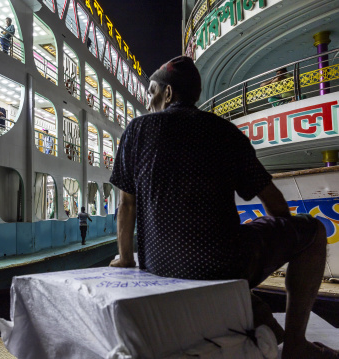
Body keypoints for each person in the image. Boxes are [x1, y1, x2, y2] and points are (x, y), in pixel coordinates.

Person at [109, 56, 334, 359]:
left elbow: (127, 202)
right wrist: (287, 236)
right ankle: (295, 344)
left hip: (159, 263)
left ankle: (266, 323)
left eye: (152, 92)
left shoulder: (136, 130)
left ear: (170, 93)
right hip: (222, 264)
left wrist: (125, 258)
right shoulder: (224, 132)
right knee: (314, 231)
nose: (149, 101)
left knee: (228, 253)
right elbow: (270, 197)